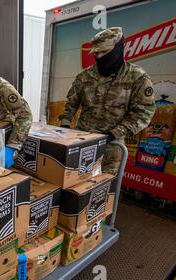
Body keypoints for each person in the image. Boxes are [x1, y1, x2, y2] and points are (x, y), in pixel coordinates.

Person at [59, 27, 156, 174]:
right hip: (82, 142)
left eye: (104, 52)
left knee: (105, 187)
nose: (99, 57)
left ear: (118, 49)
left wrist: (115, 133)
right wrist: (65, 124)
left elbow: (144, 112)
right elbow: (72, 102)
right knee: (76, 183)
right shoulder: (85, 76)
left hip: (112, 146)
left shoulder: (137, 77)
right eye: (96, 53)